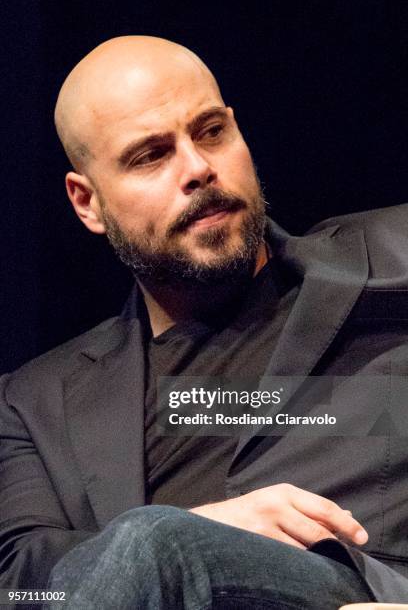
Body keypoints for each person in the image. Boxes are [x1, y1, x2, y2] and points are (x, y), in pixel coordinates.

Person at [1, 36, 408, 609]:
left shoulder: (394, 260)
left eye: (212, 131)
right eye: (150, 155)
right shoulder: (34, 405)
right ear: (87, 202)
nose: (198, 168)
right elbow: (21, 588)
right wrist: (207, 525)